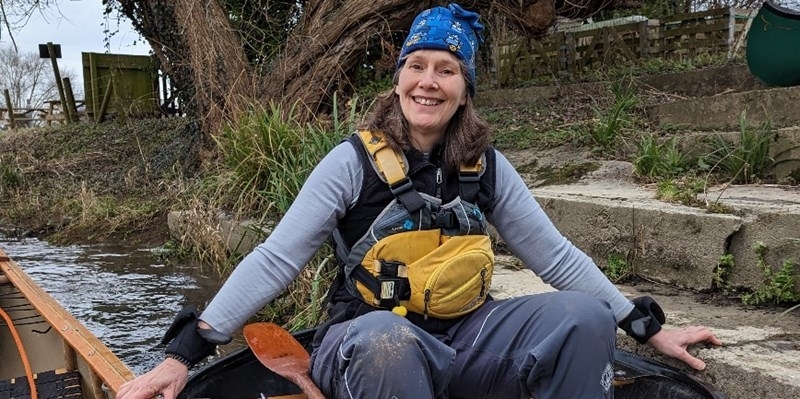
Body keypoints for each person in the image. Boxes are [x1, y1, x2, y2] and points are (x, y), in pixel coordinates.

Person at [117, 4, 722, 399]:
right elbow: (277, 260)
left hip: (465, 340)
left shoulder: (487, 166)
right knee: (388, 341)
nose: (428, 81)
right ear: (399, 77)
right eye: (416, 65)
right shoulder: (350, 163)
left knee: (583, 319)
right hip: (362, 343)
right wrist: (184, 353)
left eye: (446, 70)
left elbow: (556, 258)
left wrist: (643, 329)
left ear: (464, 89)